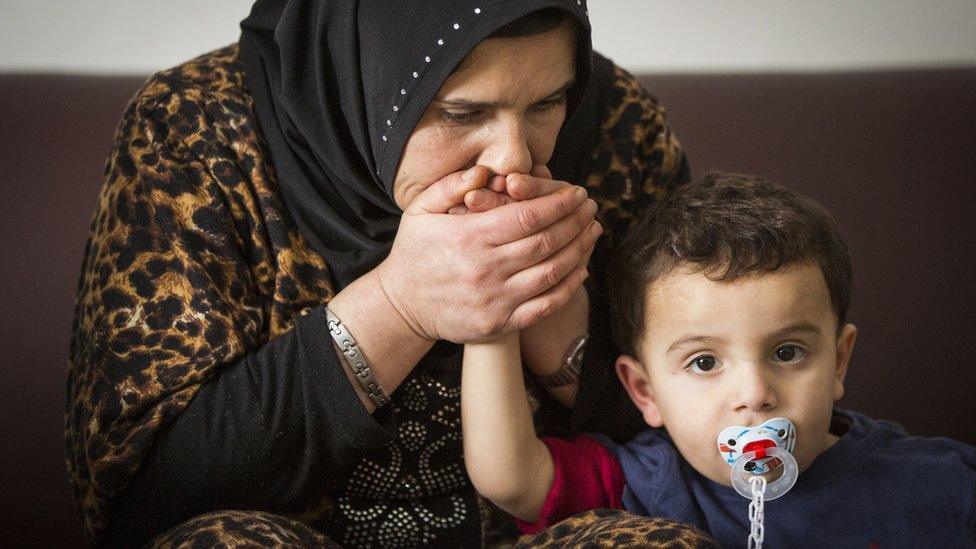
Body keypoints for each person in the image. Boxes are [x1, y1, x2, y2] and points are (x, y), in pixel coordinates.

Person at [65, 1, 713, 546]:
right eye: (462, 113)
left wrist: (554, 313)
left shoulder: (614, 120)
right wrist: (399, 306)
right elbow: (134, 503)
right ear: (365, 83)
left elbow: (721, 425)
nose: (515, 155)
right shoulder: (195, 128)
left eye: (547, 101)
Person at [462, 173, 976, 547]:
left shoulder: (940, 484)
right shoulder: (643, 484)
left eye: (787, 352)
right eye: (704, 363)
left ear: (838, 362)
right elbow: (510, 478)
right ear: (644, 391)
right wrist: (491, 315)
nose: (754, 393)